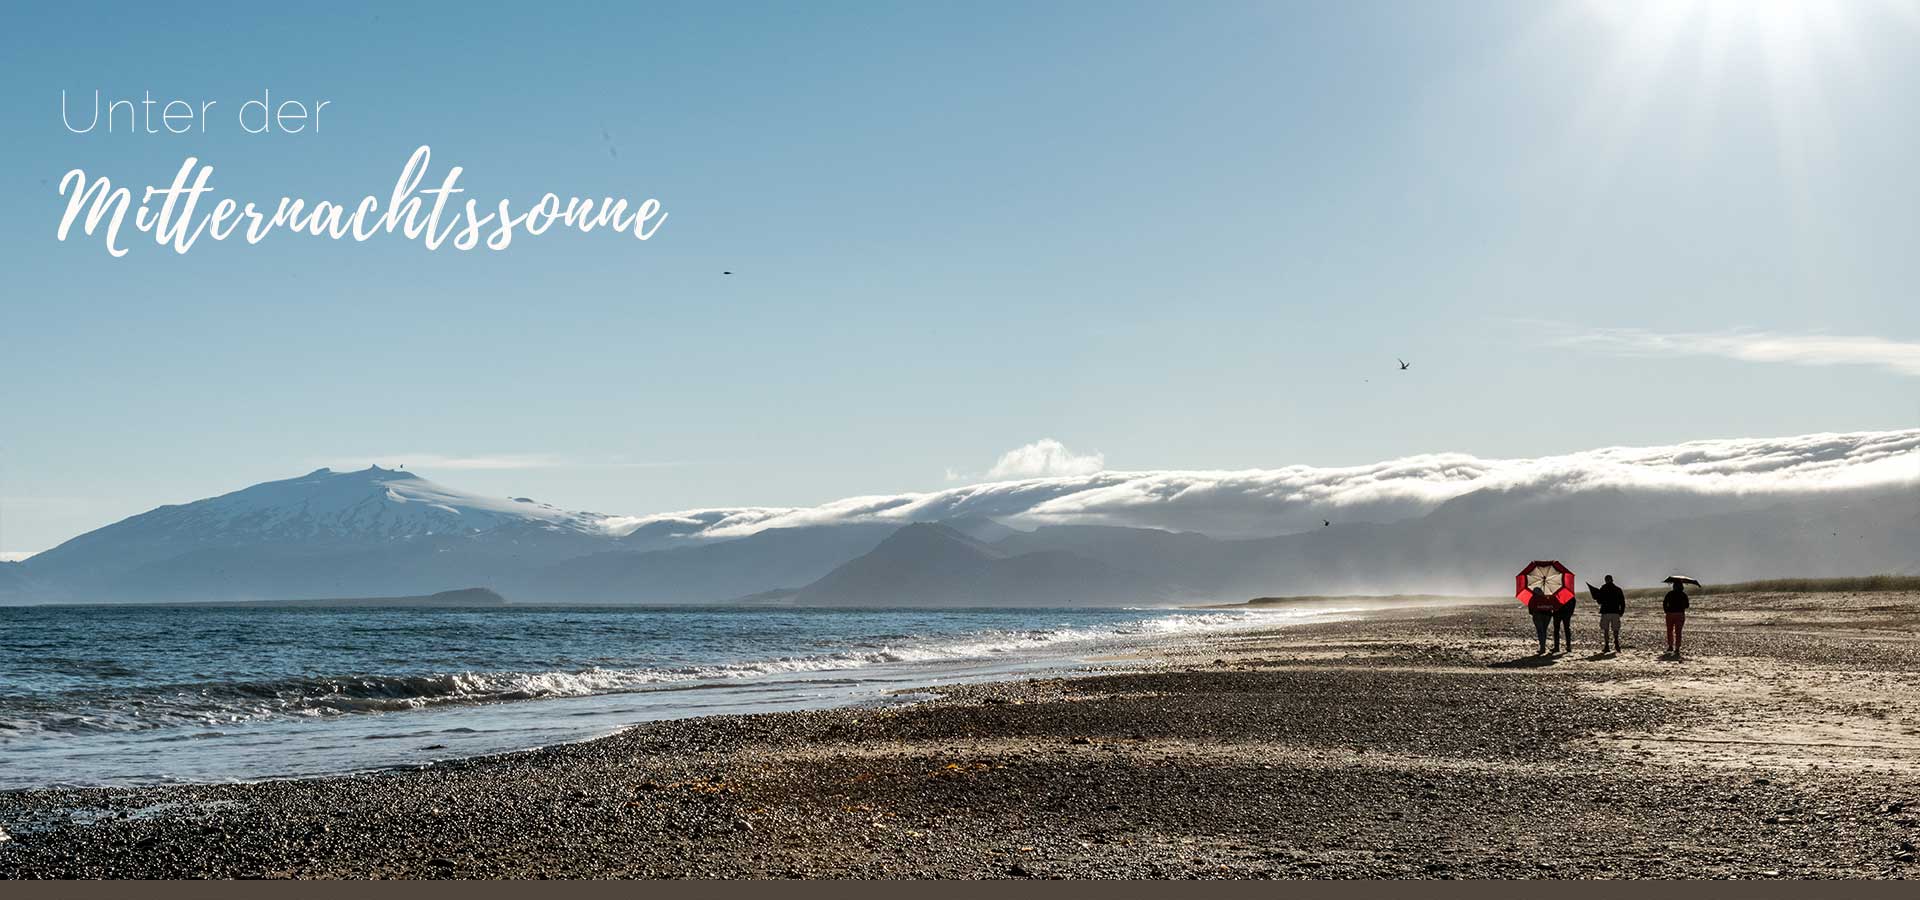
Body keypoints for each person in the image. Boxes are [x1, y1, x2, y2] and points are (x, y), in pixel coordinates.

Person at [1594, 575, 1626, 653]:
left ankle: (1607, 646)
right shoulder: (1618, 589)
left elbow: (1599, 601)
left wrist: (1596, 597)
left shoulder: (1603, 589)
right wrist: (1621, 611)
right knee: (1615, 629)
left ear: (1605, 580)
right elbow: (1622, 602)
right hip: (1615, 612)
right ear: (1612, 580)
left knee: (1606, 630)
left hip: (1605, 612)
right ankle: (1616, 644)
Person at [1527, 587, 1557, 655]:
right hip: (1547, 616)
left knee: (1540, 631)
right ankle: (1543, 647)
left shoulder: (1533, 598)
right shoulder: (1546, 597)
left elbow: (1530, 609)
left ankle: (1542, 648)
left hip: (1538, 616)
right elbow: (1551, 606)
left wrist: (1534, 613)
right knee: (1544, 631)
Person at [1663, 582, 1691, 657]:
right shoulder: (1683, 594)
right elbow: (1687, 605)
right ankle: (1677, 647)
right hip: (1680, 614)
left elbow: (1665, 602)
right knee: (1678, 632)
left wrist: (1666, 610)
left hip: (1670, 614)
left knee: (1670, 630)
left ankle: (1670, 646)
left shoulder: (1670, 593)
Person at [1552, 588, 1576, 653]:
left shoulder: (1556, 593)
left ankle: (1557, 647)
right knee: (1567, 629)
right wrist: (1570, 612)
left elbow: (1552, 602)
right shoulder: (1568, 592)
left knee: (1557, 630)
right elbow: (1573, 603)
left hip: (1557, 614)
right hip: (1566, 614)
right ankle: (1568, 646)